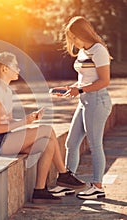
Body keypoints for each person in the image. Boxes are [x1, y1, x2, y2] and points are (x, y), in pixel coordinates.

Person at [0, 52, 85, 204]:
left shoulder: (6, 90)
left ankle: (39, 191)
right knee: (47, 129)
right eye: (15, 66)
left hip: (6, 138)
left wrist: (29, 119)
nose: (18, 69)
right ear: (5, 69)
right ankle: (63, 174)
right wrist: (25, 122)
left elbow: (8, 121)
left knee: (48, 143)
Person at [50, 16, 112, 200]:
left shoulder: (98, 50)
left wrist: (80, 89)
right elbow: (85, 78)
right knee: (71, 143)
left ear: (82, 33)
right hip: (84, 101)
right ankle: (67, 183)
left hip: (97, 101)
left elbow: (104, 81)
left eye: (74, 37)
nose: (72, 41)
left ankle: (98, 186)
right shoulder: (84, 51)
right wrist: (71, 88)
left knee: (95, 144)